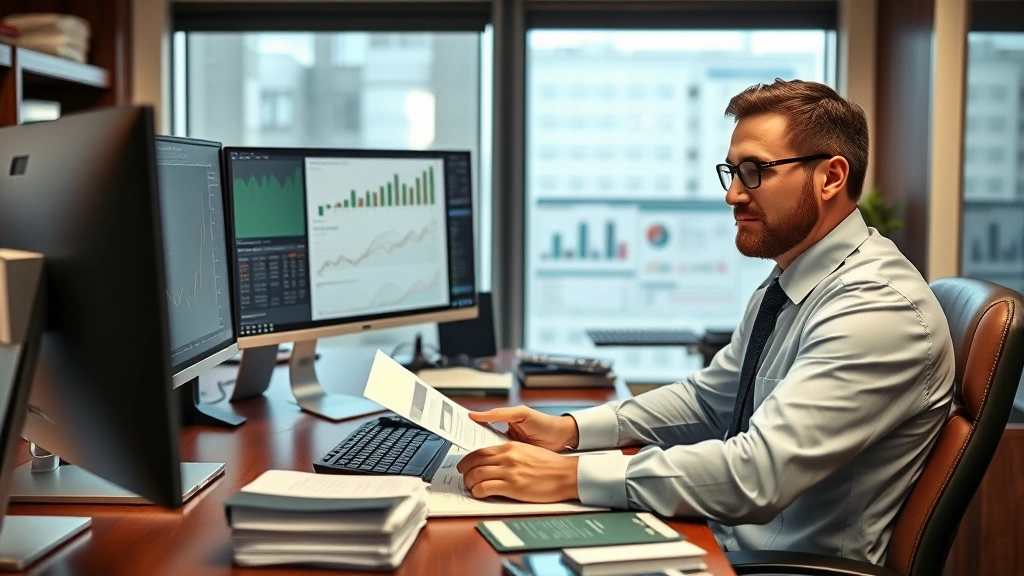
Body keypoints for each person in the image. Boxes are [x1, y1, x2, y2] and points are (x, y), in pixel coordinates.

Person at [456, 79, 955, 565]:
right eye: (732, 172)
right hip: (722, 539)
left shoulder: (876, 308)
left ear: (830, 176)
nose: (733, 195)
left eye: (755, 171)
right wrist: (567, 431)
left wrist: (568, 476)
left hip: (773, 563)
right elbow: (709, 398)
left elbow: (757, 475)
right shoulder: (791, 281)